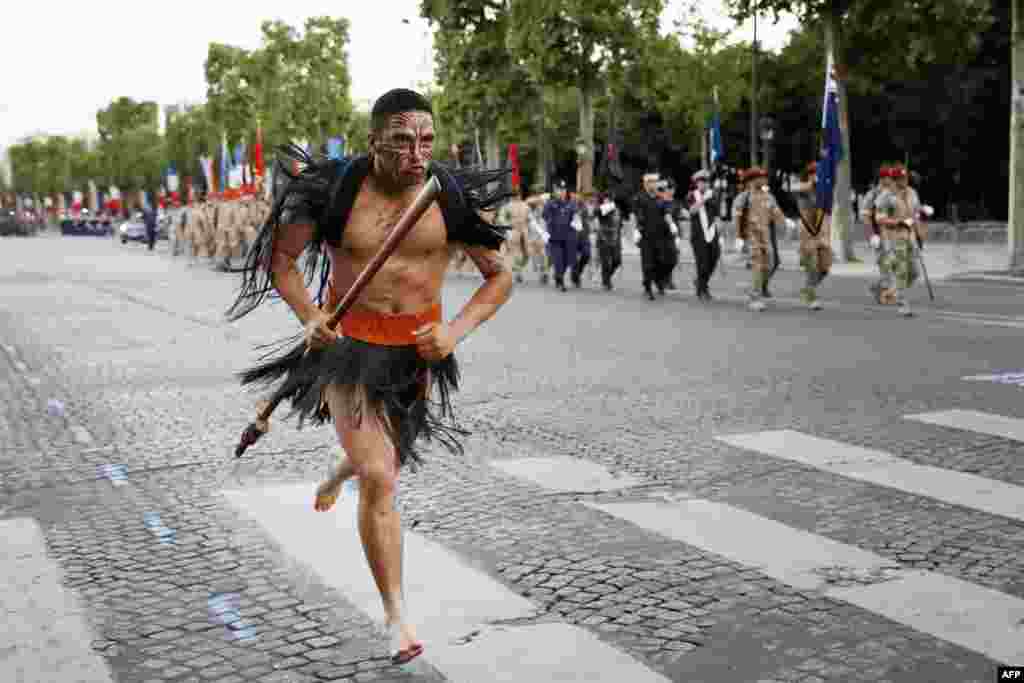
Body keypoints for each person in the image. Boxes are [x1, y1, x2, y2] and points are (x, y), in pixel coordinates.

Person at [225, 88, 513, 665]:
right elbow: (280, 261)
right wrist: (311, 316)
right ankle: (397, 616)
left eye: (426, 140)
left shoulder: (447, 195)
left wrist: (452, 333)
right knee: (381, 477)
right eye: (402, 141)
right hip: (351, 350)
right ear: (374, 140)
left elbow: (499, 276)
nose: (416, 154)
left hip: (419, 354)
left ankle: (342, 468)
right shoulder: (334, 191)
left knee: (380, 461)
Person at [732, 167, 793, 312]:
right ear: (752, 180)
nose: (764, 180)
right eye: (761, 177)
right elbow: (737, 218)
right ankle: (755, 298)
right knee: (758, 265)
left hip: (765, 235)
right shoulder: (744, 197)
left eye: (764, 177)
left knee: (771, 264)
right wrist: (739, 238)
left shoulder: (768, 196)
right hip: (751, 236)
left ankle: (755, 287)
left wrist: (786, 222)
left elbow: (776, 212)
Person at [873, 163, 926, 317]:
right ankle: (903, 304)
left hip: (910, 237)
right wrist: (897, 222)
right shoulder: (886, 196)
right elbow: (879, 218)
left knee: (914, 272)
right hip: (894, 238)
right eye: (900, 178)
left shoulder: (912, 193)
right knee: (901, 271)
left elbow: (916, 214)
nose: (904, 181)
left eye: (905, 177)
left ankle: (890, 292)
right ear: (894, 180)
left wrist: (920, 234)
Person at [792, 161, 832, 310]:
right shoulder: (803, 188)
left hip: (821, 232)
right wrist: (810, 184)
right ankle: (811, 295)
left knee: (825, 267)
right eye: (814, 173)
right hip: (807, 231)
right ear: (809, 175)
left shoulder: (824, 191)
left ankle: (808, 288)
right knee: (812, 265)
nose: (818, 177)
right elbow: (794, 188)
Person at [633, 172, 677, 301]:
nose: (653, 184)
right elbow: (638, 214)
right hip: (646, 236)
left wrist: (672, 224)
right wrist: (636, 230)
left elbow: (666, 212)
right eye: (650, 182)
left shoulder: (660, 197)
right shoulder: (639, 197)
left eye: (654, 182)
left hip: (660, 236)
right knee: (647, 264)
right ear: (645, 184)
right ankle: (647, 288)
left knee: (662, 261)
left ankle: (658, 280)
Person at [687, 170, 721, 301]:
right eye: (701, 182)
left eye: (706, 182)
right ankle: (702, 289)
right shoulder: (692, 195)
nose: (704, 184)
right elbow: (691, 211)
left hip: (712, 234)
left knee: (713, 259)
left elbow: (717, 215)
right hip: (698, 236)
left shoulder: (714, 195)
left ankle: (700, 281)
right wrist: (702, 200)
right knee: (702, 264)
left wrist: (720, 230)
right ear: (696, 183)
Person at [542, 181, 579, 292]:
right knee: (558, 260)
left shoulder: (571, 204)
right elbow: (545, 216)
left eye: (563, 190)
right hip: (555, 238)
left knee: (567, 260)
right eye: (559, 190)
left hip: (568, 238)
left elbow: (576, 219)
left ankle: (559, 276)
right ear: (555, 191)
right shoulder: (550, 204)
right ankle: (560, 281)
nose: (562, 192)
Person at [497, 192, 531, 283]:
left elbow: (531, 219)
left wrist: (532, 229)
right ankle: (518, 271)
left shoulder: (526, 206)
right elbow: (501, 217)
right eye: (516, 195)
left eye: (518, 194)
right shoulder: (508, 206)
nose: (518, 196)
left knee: (527, 252)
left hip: (524, 230)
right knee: (515, 251)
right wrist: (507, 226)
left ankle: (519, 267)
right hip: (514, 230)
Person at [595, 192, 622, 290]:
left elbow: (619, 225)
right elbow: (597, 212)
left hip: (614, 239)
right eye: (606, 199)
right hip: (604, 239)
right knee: (605, 262)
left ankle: (607, 277)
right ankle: (606, 281)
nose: (608, 201)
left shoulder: (617, 210)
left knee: (617, 261)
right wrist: (606, 207)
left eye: (610, 199)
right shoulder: (602, 209)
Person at [570, 193, 595, 288]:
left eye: (581, 196)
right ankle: (575, 278)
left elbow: (591, 218)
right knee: (574, 259)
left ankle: (577, 273)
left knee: (586, 254)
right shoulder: (570, 206)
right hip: (573, 236)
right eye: (577, 195)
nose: (579, 197)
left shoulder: (586, 206)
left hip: (584, 235)